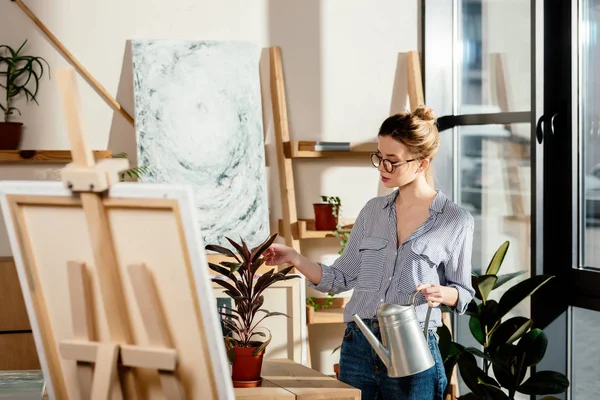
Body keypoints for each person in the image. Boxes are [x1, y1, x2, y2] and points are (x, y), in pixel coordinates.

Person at [263, 105, 475, 400]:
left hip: (413, 346)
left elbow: (464, 293)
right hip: (358, 348)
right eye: (379, 157)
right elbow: (340, 278)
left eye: (393, 161)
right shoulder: (373, 211)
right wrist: (294, 258)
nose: (382, 168)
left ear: (422, 164)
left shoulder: (455, 220)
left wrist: (442, 294)